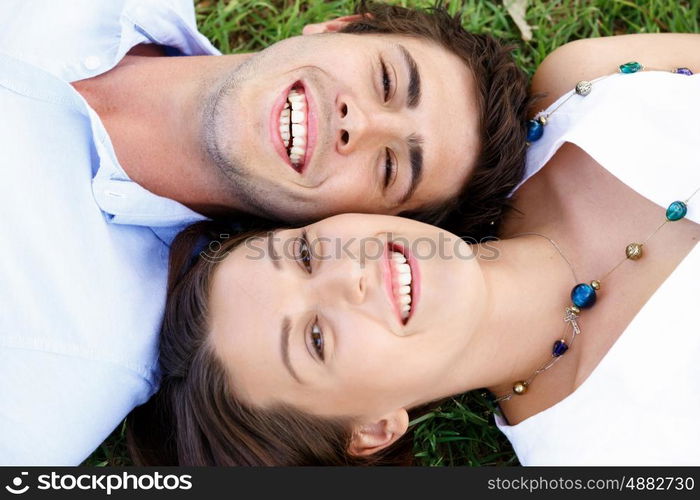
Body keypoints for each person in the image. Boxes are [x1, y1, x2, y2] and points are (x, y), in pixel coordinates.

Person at [127, 36, 700, 465]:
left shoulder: (584, 87)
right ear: (373, 428)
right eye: (317, 339)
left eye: (303, 255)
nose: (347, 276)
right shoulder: (606, 458)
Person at [0, 1, 528, 465]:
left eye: (390, 169)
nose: (358, 124)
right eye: (387, 81)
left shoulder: (67, 368)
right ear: (339, 27)